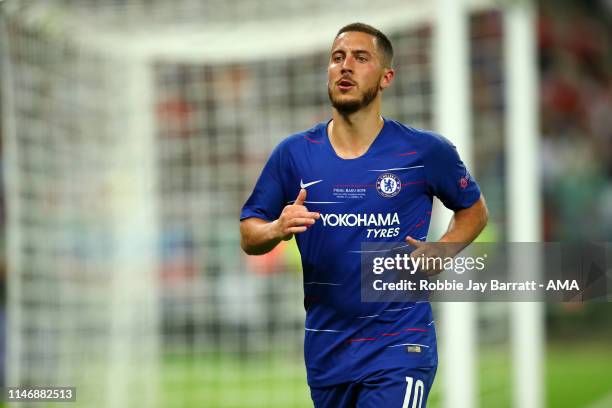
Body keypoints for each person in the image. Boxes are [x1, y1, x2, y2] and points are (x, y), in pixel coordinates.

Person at [240, 22, 488, 408]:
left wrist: (443, 250)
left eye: (360, 58)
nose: (345, 67)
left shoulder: (423, 151)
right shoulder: (293, 154)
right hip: (328, 350)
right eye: (337, 58)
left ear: (386, 76)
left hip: (399, 346)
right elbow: (249, 234)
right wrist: (276, 227)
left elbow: (473, 210)